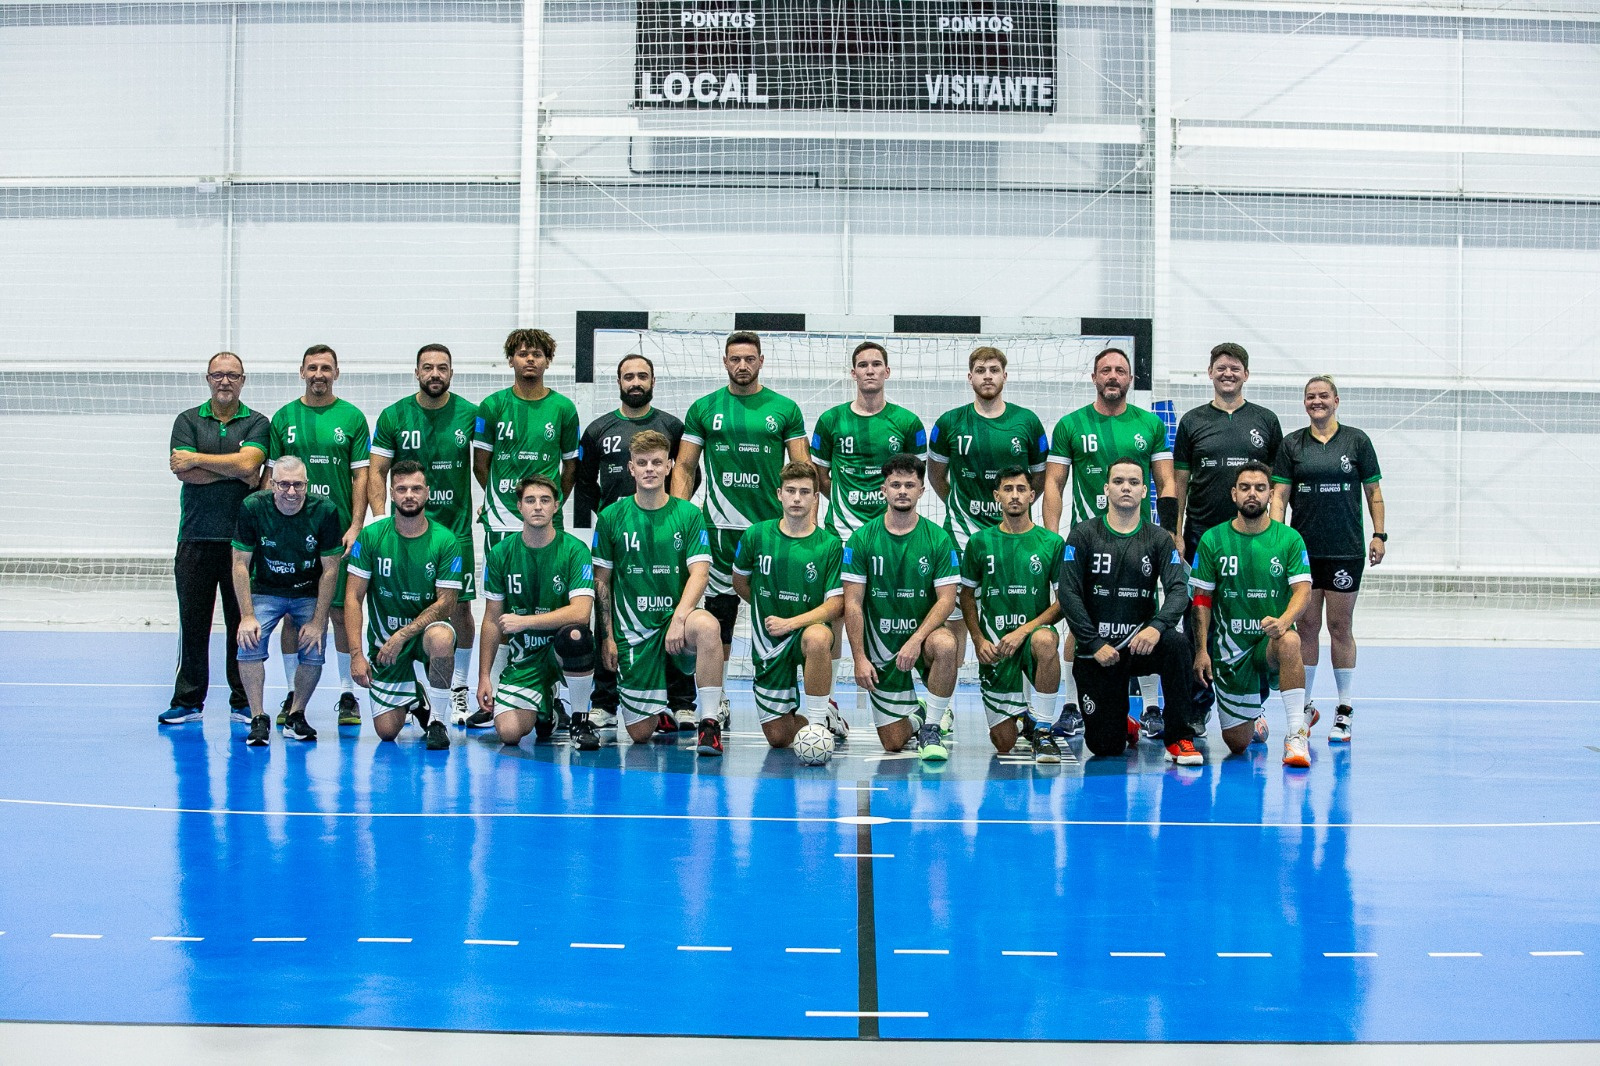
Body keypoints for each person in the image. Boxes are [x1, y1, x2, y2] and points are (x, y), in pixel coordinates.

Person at [672, 331, 809, 728]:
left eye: (750, 358)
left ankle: (795, 700)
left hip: (771, 532)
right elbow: (684, 467)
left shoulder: (785, 408)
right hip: (718, 531)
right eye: (735, 358)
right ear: (725, 361)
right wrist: (680, 516)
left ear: (761, 361)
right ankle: (717, 699)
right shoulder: (704, 408)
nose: (743, 365)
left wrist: (807, 525)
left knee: (783, 615)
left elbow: (802, 472)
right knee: (720, 619)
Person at [1042, 347, 1176, 742]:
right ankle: (1072, 705)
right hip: (1089, 541)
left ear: (1130, 378)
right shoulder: (1070, 424)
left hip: (1140, 541)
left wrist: (1171, 533)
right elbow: (1053, 483)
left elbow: (1166, 482)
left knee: (1144, 613)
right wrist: (1052, 536)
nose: (1112, 376)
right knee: (1077, 619)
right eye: (1105, 370)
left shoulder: (1150, 424)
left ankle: (1151, 708)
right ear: (1094, 378)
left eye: (1120, 370)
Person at [927, 345, 1049, 730]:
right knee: (956, 623)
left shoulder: (1027, 423)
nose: (987, 376)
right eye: (980, 370)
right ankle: (943, 709)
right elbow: (936, 477)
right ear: (970, 377)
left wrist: (1010, 513)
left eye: (994, 370)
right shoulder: (949, 423)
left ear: (1005, 376)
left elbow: (1037, 480)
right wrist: (962, 508)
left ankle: (1027, 711)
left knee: (1018, 614)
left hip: (1012, 538)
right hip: (960, 536)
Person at [573, 353, 692, 731]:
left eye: (642, 375)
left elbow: (689, 473)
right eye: (629, 376)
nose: (635, 382)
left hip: (666, 536)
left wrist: (675, 517)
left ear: (653, 381)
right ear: (619, 382)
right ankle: (604, 702)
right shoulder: (597, 430)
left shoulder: (672, 427)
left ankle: (681, 702)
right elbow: (583, 483)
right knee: (606, 607)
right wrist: (608, 519)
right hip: (617, 536)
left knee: (673, 611)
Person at [593, 431, 728, 756]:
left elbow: (700, 572)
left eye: (657, 462)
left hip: (675, 621)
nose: (650, 469)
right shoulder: (611, 517)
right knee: (640, 734)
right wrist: (607, 637)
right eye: (642, 463)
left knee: (708, 626)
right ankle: (657, 707)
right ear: (631, 468)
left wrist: (680, 618)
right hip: (633, 631)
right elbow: (601, 581)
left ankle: (709, 723)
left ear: (669, 466)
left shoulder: (688, 514)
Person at [1172, 342, 1282, 740]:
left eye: (1235, 368)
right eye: (1221, 367)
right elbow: (1179, 483)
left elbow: (1277, 485)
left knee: (1253, 619)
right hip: (1202, 536)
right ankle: (1198, 708)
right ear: (1210, 373)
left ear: (1246, 374)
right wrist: (1176, 531)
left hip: (1253, 540)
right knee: (1198, 623)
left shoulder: (1266, 420)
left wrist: (1275, 533)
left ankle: (1254, 707)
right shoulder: (1193, 421)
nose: (1228, 373)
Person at [1057, 459, 1199, 763]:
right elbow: (1068, 593)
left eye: (1134, 482)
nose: (1126, 487)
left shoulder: (1158, 538)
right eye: (1118, 481)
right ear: (1106, 488)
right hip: (1099, 651)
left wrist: (1157, 627)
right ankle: (1122, 722)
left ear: (1144, 491)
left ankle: (1180, 739)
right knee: (1105, 746)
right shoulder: (1083, 534)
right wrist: (1093, 643)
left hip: (1140, 644)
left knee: (1176, 645)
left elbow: (1179, 590)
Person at [473, 327, 580, 729]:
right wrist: (504, 502)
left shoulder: (564, 409)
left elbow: (570, 467)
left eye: (537, 354)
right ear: (511, 360)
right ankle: (498, 688)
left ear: (548, 360)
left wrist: (547, 504)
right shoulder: (492, 406)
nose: (530, 359)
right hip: (502, 521)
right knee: (502, 608)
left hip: (545, 522)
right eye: (522, 353)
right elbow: (481, 464)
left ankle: (555, 694)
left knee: (552, 602)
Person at [369, 343, 480, 727]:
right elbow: (376, 471)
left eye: (442, 367)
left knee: (460, 609)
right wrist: (378, 519)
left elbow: (487, 463)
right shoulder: (394, 415)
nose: (435, 373)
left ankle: (458, 686)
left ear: (451, 372)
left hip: (455, 532)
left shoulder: (470, 414)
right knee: (404, 604)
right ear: (417, 372)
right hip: (405, 531)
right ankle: (410, 684)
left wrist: (492, 502)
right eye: (428, 367)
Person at [1271, 375, 1385, 744]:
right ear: (1304, 403)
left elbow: (1374, 492)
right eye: (1310, 397)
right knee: (1306, 627)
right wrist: (1276, 539)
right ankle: (1304, 707)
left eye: (1323, 396)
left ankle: (1345, 708)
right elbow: (1279, 496)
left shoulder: (1357, 441)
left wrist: (1379, 534)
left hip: (1345, 550)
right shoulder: (1292, 444)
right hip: (1303, 553)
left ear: (1336, 401)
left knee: (1339, 626)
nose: (1316, 401)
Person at [162, 352, 271, 725]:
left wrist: (200, 458)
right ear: (208, 379)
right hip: (195, 538)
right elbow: (184, 472)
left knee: (242, 622)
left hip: (242, 543)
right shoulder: (187, 420)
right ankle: (188, 700)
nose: (225, 381)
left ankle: (243, 700)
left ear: (243, 380)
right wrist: (236, 470)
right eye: (218, 375)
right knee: (193, 623)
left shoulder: (257, 422)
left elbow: (250, 466)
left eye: (233, 375)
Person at [267, 344, 371, 727]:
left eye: (326, 368)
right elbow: (270, 479)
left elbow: (361, 476)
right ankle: (292, 694)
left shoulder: (352, 417)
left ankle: (347, 694)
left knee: (341, 613)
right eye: (312, 367)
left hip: (336, 534)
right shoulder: (284, 417)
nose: (319, 374)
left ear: (336, 373)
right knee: (294, 616)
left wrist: (356, 525)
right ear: (302, 372)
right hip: (292, 536)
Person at [1191, 462, 1314, 766]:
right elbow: (1201, 600)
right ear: (1234, 494)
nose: (1252, 494)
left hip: (1268, 642)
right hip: (1231, 651)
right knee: (1238, 745)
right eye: (1245, 487)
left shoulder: (1289, 539)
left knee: (1291, 641)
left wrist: (1284, 622)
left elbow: (1303, 591)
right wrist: (1202, 650)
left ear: (1271, 494)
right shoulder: (1212, 539)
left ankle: (1296, 735)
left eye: (1260, 488)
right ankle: (1253, 715)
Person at [842, 454, 962, 761]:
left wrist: (916, 639)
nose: (902, 491)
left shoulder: (938, 538)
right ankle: (920, 716)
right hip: (881, 645)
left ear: (921, 490)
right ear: (883, 490)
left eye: (910, 485)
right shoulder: (861, 539)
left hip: (922, 638)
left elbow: (947, 600)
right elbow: (852, 603)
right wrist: (859, 658)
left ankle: (932, 727)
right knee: (893, 742)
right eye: (895, 485)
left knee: (947, 644)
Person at [343, 461, 464, 750]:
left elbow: (447, 604)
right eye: (401, 489)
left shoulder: (445, 540)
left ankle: (437, 721)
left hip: (422, 634)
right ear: (391, 493)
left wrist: (403, 636)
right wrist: (356, 655)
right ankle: (416, 697)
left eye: (416, 489)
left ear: (427, 492)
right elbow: (353, 598)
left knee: (442, 637)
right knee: (387, 732)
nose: (409, 495)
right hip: (385, 641)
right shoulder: (371, 536)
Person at [477, 476, 599, 750]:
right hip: (525, 659)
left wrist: (525, 622)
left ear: (556, 506)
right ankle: (548, 710)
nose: (538, 506)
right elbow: (491, 620)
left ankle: (580, 720)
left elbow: (581, 612)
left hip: (560, 651)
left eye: (545, 500)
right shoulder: (500, 554)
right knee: (509, 733)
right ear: (519, 506)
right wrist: (484, 676)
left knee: (577, 635)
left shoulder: (575, 550)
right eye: (530, 500)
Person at [731, 462, 847, 750]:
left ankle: (818, 725)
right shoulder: (756, 535)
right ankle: (812, 724)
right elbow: (740, 582)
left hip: (805, 631)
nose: (797, 498)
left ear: (815, 498)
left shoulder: (830, 544)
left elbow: (836, 604)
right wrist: (765, 607)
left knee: (818, 637)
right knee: (778, 737)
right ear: (779, 494)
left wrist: (792, 623)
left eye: (805, 492)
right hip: (769, 640)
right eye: (791, 491)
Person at [229, 456, 343, 745]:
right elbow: (240, 563)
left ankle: (296, 714)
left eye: (298, 485)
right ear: (272, 484)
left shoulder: (326, 511)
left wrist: (318, 621)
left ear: (307, 484)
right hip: (266, 590)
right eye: (284, 485)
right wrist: (247, 616)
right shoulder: (253, 507)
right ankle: (258, 717)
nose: (291, 492)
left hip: (307, 592)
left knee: (314, 647)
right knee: (248, 641)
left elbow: (331, 569)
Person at [957, 467, 1065, 763]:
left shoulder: (1051, 543)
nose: (1014, 495)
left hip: (1030, 639)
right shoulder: (979, 542)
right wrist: (978, 640)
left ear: (1032, 495)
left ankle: (1043, 730)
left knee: (1045, 641)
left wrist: (1023, 631)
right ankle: (1023, 717)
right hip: (996, 646)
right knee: (1003, 743)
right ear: (997, 496)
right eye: (1008, 489)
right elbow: (966, 596)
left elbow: (1062, 603)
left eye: (1021, 489)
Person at [810, 341, 927, 540]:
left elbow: (916, 479)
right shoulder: (831, 420)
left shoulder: (908, 422)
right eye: (863, 365)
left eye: (876, 364)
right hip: (842, 532)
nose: (870, 371)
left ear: (887, 372)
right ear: (853, 373)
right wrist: (845, 498)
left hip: (890, 531)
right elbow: (819, 477)